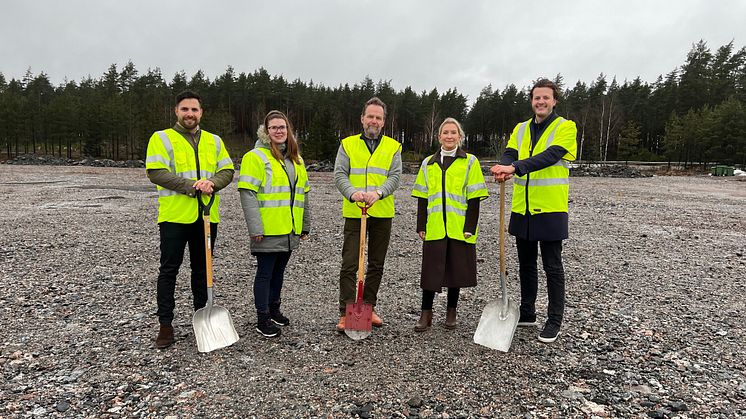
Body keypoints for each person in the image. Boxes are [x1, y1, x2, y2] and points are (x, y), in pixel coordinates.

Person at [490, 78, 578, 343]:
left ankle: (554, 320)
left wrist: (514, 168)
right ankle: (528, 313)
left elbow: (550, 156)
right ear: (532, 101)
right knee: (526, 264)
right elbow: (509, 152)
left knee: (552, 265)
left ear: (554, 101)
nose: (541, 102)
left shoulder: (566, 127)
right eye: (537, 98)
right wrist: (503, 166)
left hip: (550, 207)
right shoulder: (521, 128)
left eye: (546, 98)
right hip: (522, 207)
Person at [145, 90, 235, 349]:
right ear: (176, 111)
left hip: (206, 217)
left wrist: (212, 183)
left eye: (194, 110)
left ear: (201, 113)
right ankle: (165, 325)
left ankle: (202, 319)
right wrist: (191, 185)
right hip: (175, 217)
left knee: (203, 271)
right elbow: (156, 172)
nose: (190, 114)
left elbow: (227, 170)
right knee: (169, 271)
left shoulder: (214, 141)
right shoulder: (162, 138)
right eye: (185, 109)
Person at [237, 110, 310, 338]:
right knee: (265, 274)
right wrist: (255, 228)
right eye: (273, 127)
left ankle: (274, 309)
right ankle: (262, 317)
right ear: (266, 131)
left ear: (288, 131)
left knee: (279, 272)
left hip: (289, 229)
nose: (279, 131)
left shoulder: (296, 159)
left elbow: (303, 194)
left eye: (282, 127)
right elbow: (247, 193)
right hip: (267, 230)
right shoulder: (255, 157)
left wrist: (304, 225)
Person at [411, 118, 488, 331]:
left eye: (454, 132)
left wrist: (470, 227)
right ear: (439, 137)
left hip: (459, 226)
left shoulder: (470, 162)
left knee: (456, 270)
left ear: (460, 136)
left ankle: (451, 311)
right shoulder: (428, 163)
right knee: (430, 271)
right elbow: (422, 197)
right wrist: (421, 225)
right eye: (445, 132)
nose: (449, 136)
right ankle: (426, 313)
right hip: (435, 226)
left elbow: (474, 197)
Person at [333, 97, 402, 332]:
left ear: (384, 122)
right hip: (355, 212)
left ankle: (368, 308)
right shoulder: (348, 144)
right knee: (350, 262)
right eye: (370, 116)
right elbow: (340, 174)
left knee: (376, 264)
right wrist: (352, 193)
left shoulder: (393, 147)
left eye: (378, 117)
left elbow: (395, 177)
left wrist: (379, 193)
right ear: (363, 119)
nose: (374, 120)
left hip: (382, 212)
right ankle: (346, 312)